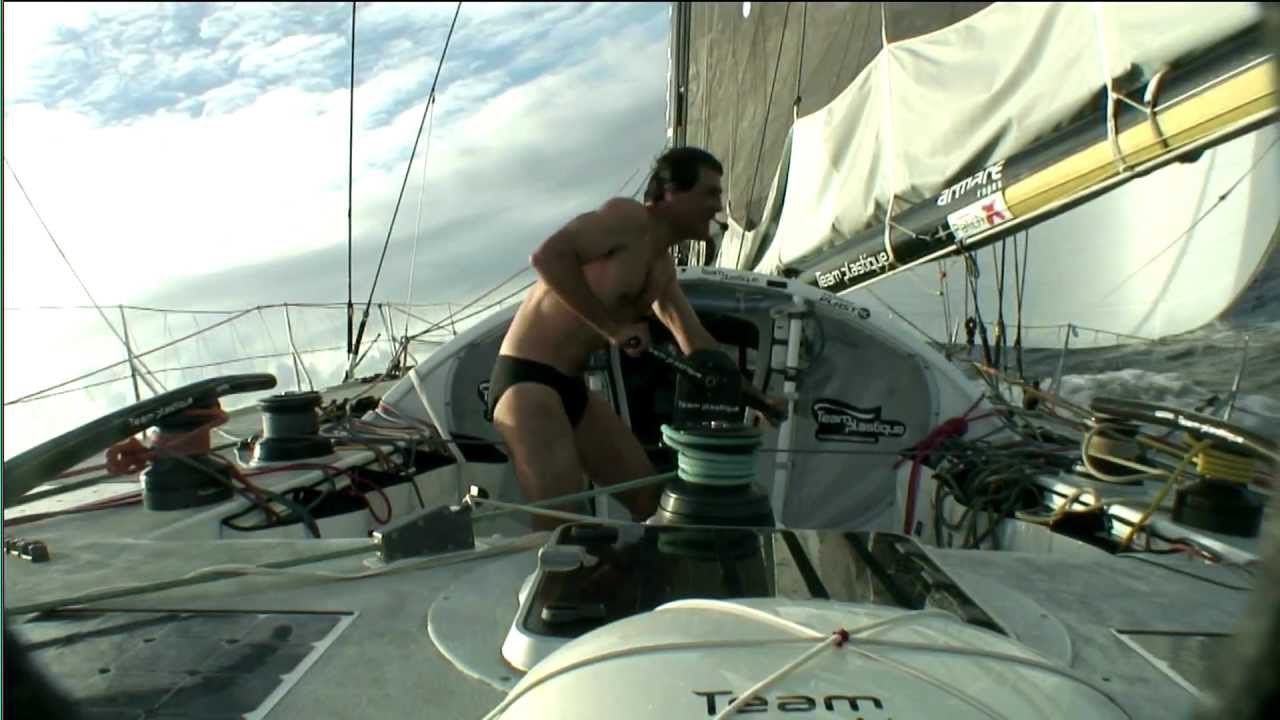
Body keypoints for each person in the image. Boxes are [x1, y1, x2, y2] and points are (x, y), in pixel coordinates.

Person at [487, 146, 782, 530]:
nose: (717, 206)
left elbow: (696, 344)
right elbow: (547, 257)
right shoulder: (625, 219)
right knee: (562, 527)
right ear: (670, 194)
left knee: (652, 504)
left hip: (570, 387)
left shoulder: (662, 269)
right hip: (527, 381)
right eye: (709, 193)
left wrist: (755, 397)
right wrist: (613, 329)